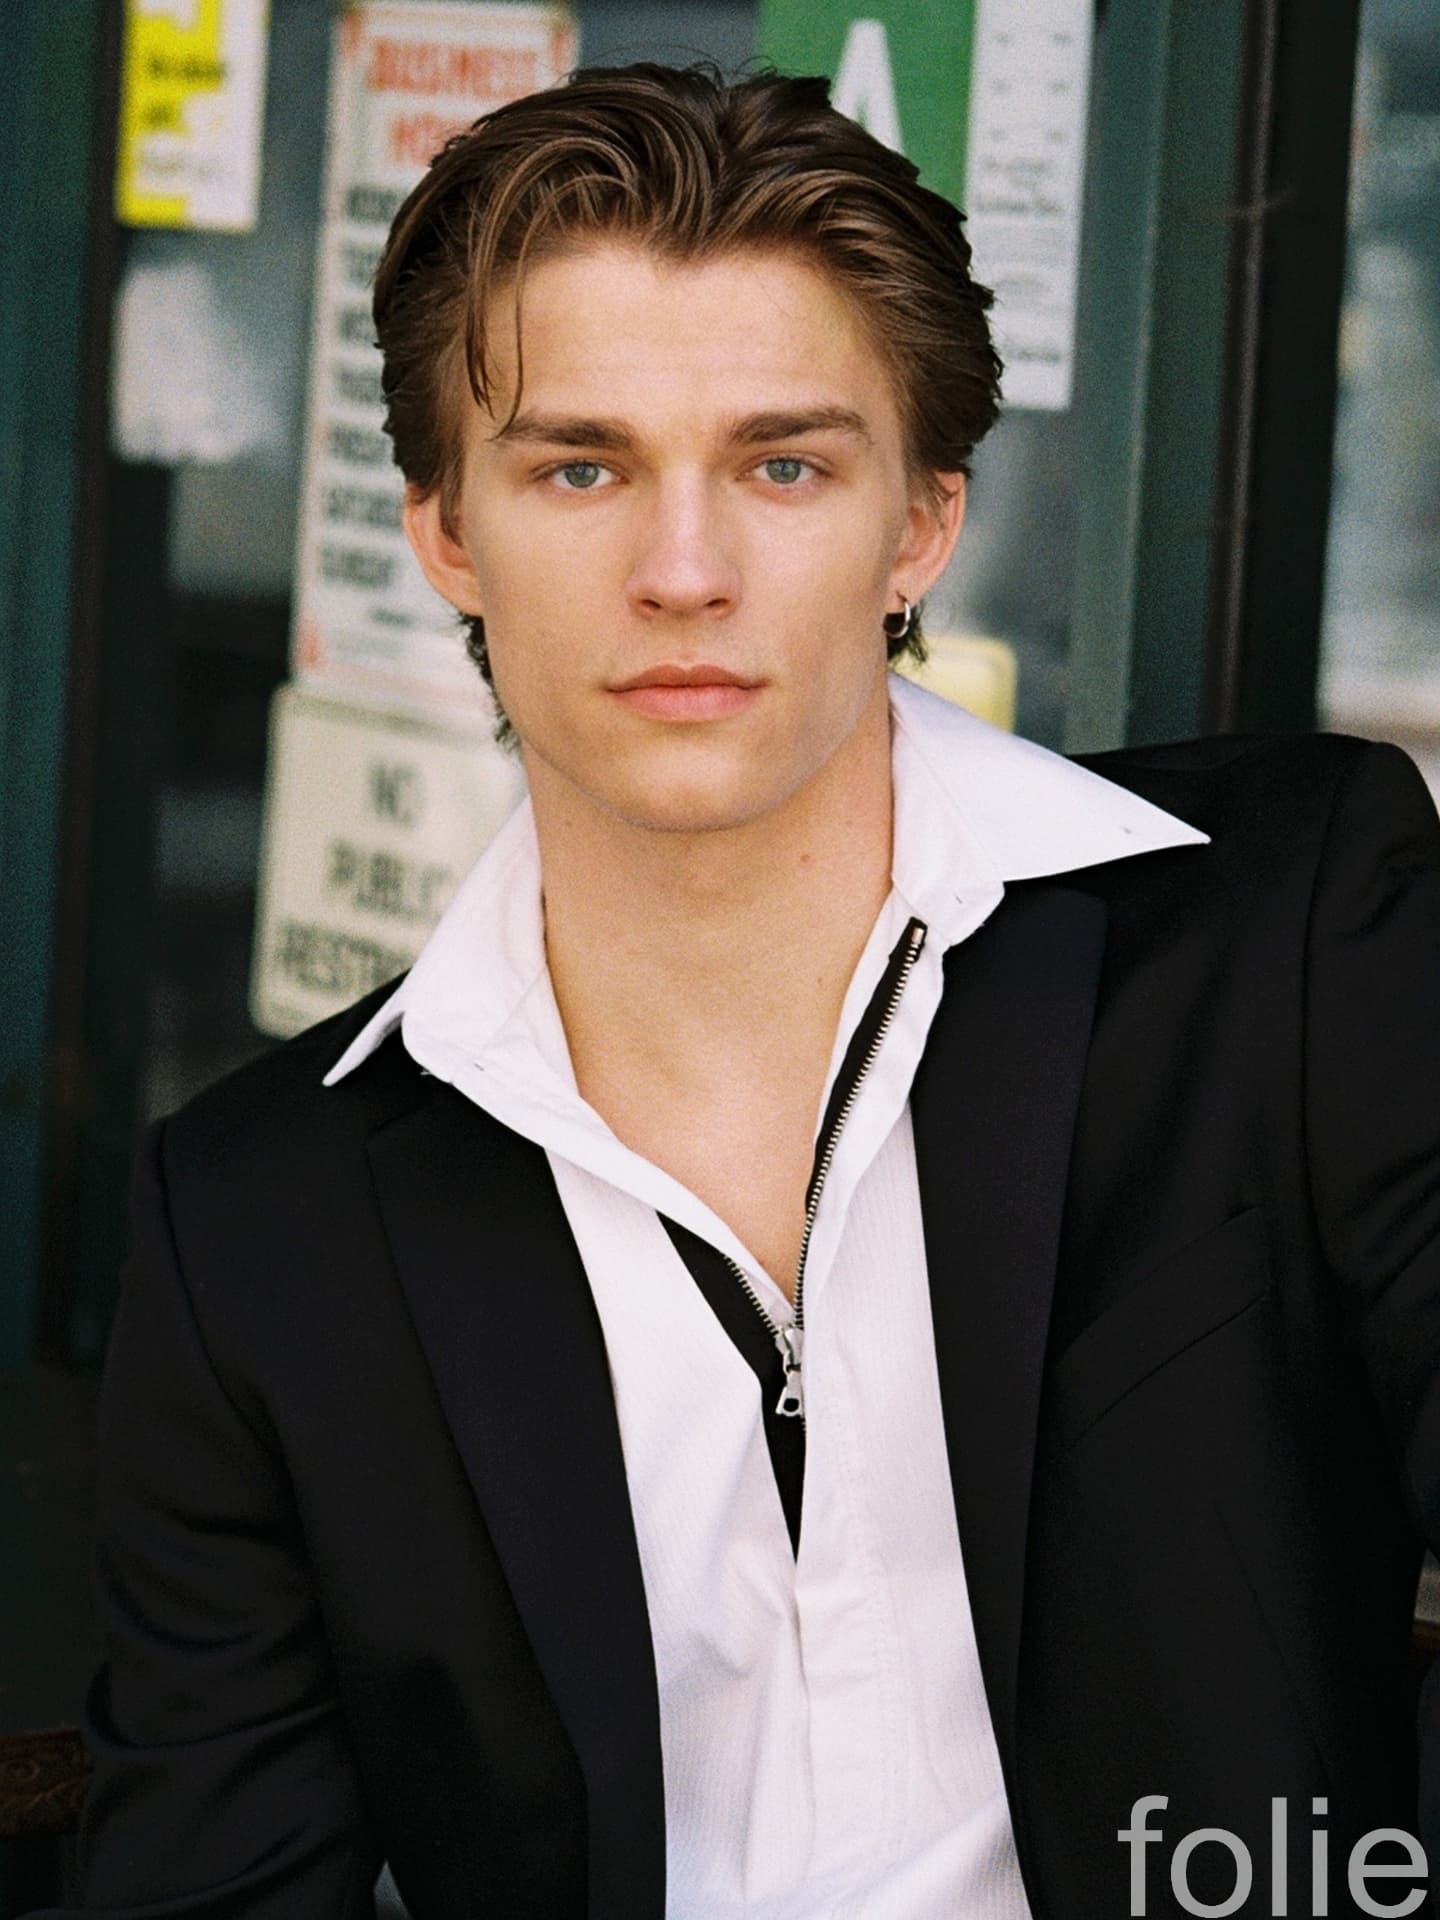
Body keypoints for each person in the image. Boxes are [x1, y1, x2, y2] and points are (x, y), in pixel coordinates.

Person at [33, 61, 1440, 1920]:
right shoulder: (259, 1226)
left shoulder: (1291, 936)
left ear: (920, 524)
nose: (683, 572)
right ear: (446, 532)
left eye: (785, 465)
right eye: (581, 467)